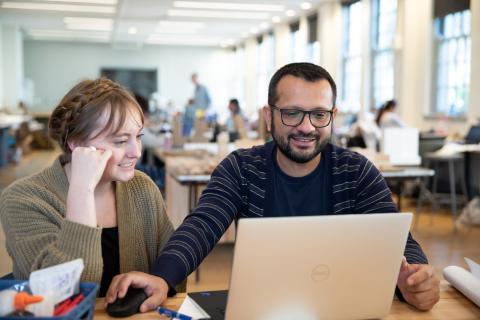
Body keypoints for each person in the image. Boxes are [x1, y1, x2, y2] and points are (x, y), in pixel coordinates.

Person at [106, 63, 440, 312]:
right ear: (269, 116)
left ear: (332, 115)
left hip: (346, 310)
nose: (306, 127)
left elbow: (398, 242)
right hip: (262, 312)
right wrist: (163, 277)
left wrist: (414, 278)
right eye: (292, 113)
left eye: (319, 114)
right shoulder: (241, 168)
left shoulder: (357, 172)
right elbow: (202, 225)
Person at [0, 78, 179, 297]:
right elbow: (61, 296)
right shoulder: (23, 199)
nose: (136, 152)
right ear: (76, 143)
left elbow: (172, 272)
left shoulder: (142, 188)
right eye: (121, 141)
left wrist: (162, 279)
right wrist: (82, 189)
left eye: (138, 137)